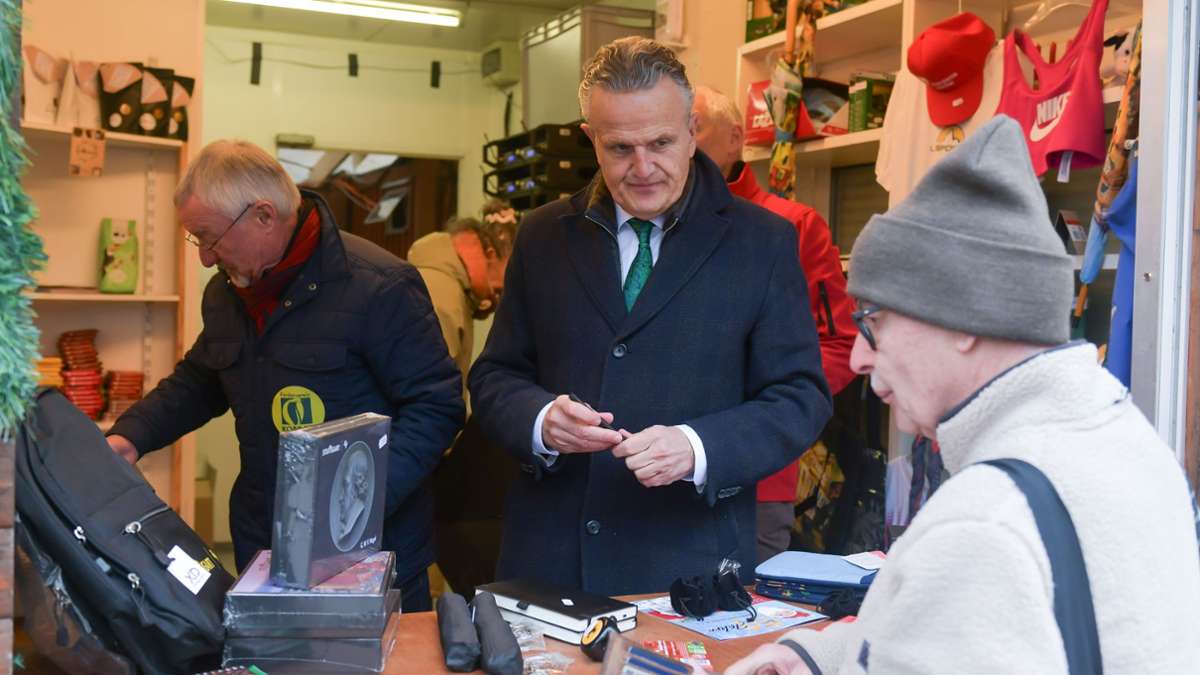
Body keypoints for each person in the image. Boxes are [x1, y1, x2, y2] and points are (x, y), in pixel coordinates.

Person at [727, 116, 1200, 674]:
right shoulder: (1122, 438)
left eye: (873, 319)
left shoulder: (983, 521)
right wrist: (820, 654)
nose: (856, 356)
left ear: (964, 323)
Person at [468, 36, 832, 596]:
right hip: (550, 559)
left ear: (692, 131)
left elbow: (800, 396)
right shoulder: (542, 235)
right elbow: (494, 377)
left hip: (687, 563)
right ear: (590, 139)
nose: (643, 168)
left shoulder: (763, 243)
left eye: (661, 142)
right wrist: (540, 421)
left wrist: (698, 447)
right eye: (619, 148)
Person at [105, 140, 465, 612]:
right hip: (264, 547)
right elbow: (200, 379)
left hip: (370, 558)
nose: (206, 258)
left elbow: (437, 408)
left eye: (209, 237)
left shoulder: (379, 287)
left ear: (263, 215)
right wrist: (130, 437)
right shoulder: (227, 295)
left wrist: (349, 510)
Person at [694, 85, 858, 562]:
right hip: (658, 475)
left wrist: (767, 409)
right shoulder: (654, 228)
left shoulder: (791, 227)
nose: (683, 140)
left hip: (758, 477)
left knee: (744, 622)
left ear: (735, 139)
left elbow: (839, 343)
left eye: (695, 125)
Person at [409, 200, 521, 596]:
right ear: (487, 252)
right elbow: (425, 396)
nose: (497, 295)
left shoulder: (440, 283)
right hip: (420, 465)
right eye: (503, 279)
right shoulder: (442, 295)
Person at [408, 201, 519, 381]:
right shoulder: (445, 299)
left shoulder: (438, 281)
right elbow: (431, 388)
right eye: (500, 289)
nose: (499, 299)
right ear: (490, 255)